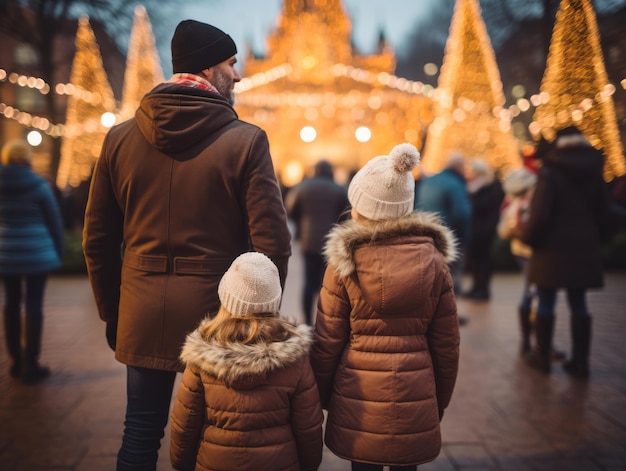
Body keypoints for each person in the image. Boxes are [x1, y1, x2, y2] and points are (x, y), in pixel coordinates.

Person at [82, 19, 292, 470]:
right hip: (221, 316)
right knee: (219, 435)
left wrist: (113, 311)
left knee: (139, 430)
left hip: (141, 308)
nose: (238, 74)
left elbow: (97, 239)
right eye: (231, 63)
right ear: (209, 68)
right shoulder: (246, 140)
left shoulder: (119, 139)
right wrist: (262, 315)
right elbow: (273, 242)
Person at [311, 143, 460, 470]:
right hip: (415, 389)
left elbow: (327, 340)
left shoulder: (343, 263)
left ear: (359, 208)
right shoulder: (434, 262)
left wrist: (324, 395)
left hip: (359, 395)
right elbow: (447, 344)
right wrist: (440, 400)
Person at [170, 252, 323, 471]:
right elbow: (308, 427)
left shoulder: (202, 354)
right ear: (273, 301)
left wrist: (181, 463)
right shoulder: (294, 358)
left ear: (225, 297)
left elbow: (185, 423)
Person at [519, 126, 612, 378]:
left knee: (546, 300)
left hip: (551, 247)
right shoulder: (595, 169)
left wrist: (526, 237)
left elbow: (540, 214)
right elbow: (605, 212)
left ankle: (542, 356)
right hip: (583, 245)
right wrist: (599, 240)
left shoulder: (550, 171)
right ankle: (581, 363)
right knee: (579, 302)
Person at [0, 139, 64, 383]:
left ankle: (15, 361)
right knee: (34, 305)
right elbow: (54, 221)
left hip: (5, 254)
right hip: (37, 253)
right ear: (27, 159)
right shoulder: (39, 184)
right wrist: (57, 252)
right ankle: (31, 363)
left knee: (11, 303)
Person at [285, 159, 349, 325]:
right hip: (331, 243)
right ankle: (324, 320)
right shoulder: (338, 189)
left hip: (308, 242)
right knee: (327, 284)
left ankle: (307, 320)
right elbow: (346, 214)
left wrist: (301, 225)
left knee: (308, 281)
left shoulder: (302, 188)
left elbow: (290, 209)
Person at [416, 154, 472, 297]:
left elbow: (417, 206)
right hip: (450, 237)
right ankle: (452, 313)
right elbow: (462, 212)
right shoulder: (455, 183)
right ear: (459, 167)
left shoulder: (428, 181)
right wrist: (464, 236)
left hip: (425, 235)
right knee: (452, 276)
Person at [464, 159, 504, 301]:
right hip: (477, 228)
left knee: (483, 259)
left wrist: (471, 197)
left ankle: (483, 290)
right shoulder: (476, 186)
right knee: (475, 259)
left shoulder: (491, 186)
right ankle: (476, 287)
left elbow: (484, 205)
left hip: (485, 229)